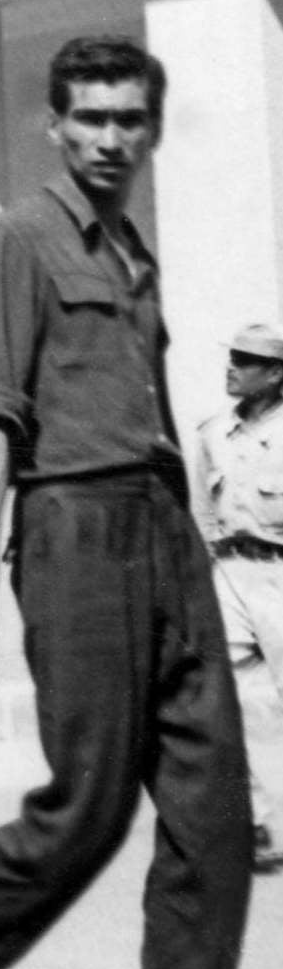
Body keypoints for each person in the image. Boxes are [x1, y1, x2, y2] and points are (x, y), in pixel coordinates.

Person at [0, 36, 251, 969]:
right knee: (90, 804)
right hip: (75, 527)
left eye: (128, 119)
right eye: (91, 117)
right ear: (55, 125)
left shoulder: (132, 255)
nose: (110, 137)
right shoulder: (17, 239)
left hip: (163, 527)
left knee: (215, 815)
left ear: (152, 127)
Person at [189, 322, 283, 875]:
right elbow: (201, 509)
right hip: (230, 573)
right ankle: (252, 823)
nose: (232, 367)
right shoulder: (211, 432)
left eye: (246, 360)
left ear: (275, 374)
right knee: (223, 706)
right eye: (231, 356)